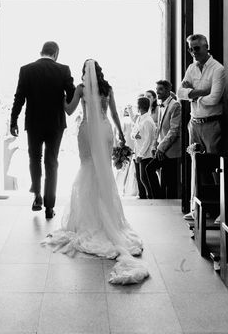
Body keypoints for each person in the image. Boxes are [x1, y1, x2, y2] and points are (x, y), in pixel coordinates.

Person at [42, 59, 149, 285]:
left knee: (87, 167)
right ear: (100, 72)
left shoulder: (81, 89)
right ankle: (107, 217)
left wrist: (61, 95)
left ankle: (87, 218)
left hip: (88, 130)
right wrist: (121, 134)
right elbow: (114, 114)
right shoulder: (107, 88)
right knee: (103, 171)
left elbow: (69, 110)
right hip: (105, 129)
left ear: (84, 73)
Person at [10, 41, 76, 219]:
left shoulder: (26, 69)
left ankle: (37, 195)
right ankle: (49, 207)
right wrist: (63, 94)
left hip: (33, 122)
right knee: (51, 162)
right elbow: (71, 95)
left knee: (34, 158)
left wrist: (13, 121)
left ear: (42, 52)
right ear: (56, 53)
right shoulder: (63, 70)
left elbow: (19, 97)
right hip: (55, 123)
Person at [178, 34, 226, 154]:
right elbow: (179, 93)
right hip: (194, 124)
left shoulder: (218, 69)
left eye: (197, 48)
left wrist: (192, 95)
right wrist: (203, 93)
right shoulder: (191, 68)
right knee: (195, 165)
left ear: (206, 47)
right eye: (190, 49)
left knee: (213, 165)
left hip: (211, 124)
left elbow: (214, 99)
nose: (193, 52)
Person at [145, 80, 182, 199]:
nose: (157, 92)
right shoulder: (161, 106)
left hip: (172, 150)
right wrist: (155, 146)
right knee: (155, 173)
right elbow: (159, 129)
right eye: (157, 89)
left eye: (160, 89)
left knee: (169, 183)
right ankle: (159, 199)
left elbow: (174, 130)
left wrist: (161, 148)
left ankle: (160, 200)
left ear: (167, 90)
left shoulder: (175, 105)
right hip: (162, 149)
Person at [131, 96, 158, 198]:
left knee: (144, 178)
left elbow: (148, 140)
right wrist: (134, 135)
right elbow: (133, 133)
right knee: (139, 178)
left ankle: (152, 197)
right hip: (137, 152)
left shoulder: (147, 121)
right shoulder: (139, 119)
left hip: (145, 154)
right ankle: (143, 198)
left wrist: (141, 154)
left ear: (139, 107)